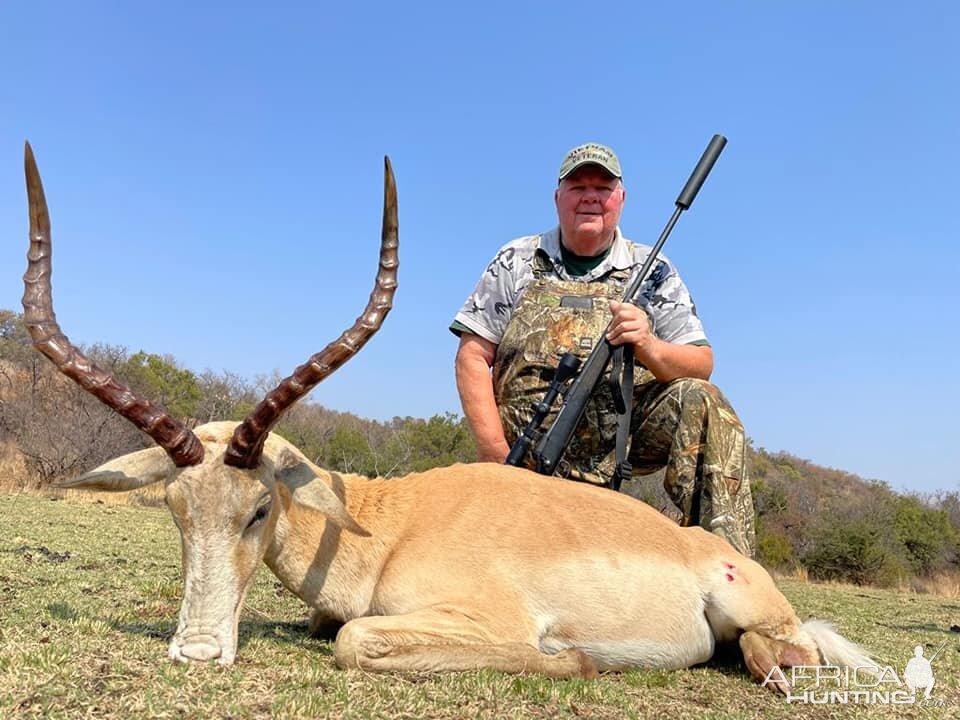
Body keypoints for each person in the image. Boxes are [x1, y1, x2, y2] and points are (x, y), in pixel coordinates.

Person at [450, 142, 757, 557]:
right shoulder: (516, 259)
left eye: (603, 186)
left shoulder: (653, 269)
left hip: (618, 449)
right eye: (578, 186)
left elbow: (701, 363)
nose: (591, 196)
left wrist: (648, 345)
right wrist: (494, 454)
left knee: (704, 401)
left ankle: (728, 568)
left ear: (621, 198)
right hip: (520, 459)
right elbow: (473, 354)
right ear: (558, 197)